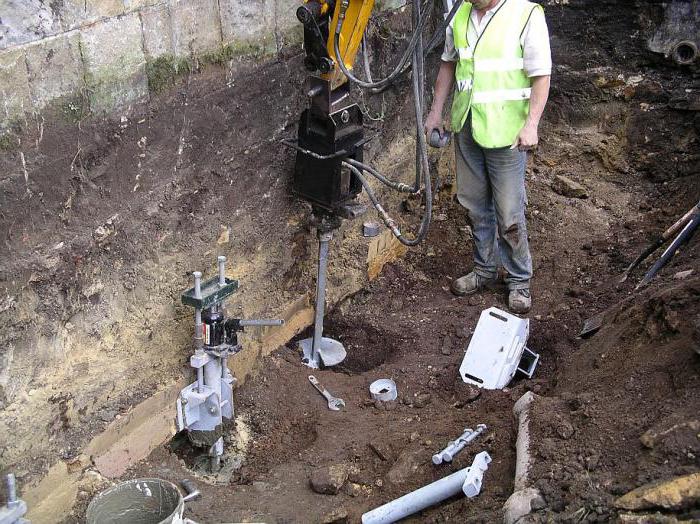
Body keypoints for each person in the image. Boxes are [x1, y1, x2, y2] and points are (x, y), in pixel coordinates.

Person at [424, 0, 551, 314]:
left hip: (507, 131)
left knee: (508, 211)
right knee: (474, 204)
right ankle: (485, 269)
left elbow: (541, 74)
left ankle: (519, 280)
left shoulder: (525, 14)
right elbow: (449, 63)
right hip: (467, 123)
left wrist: (532, 124)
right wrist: (436, 111)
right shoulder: (461, 13)